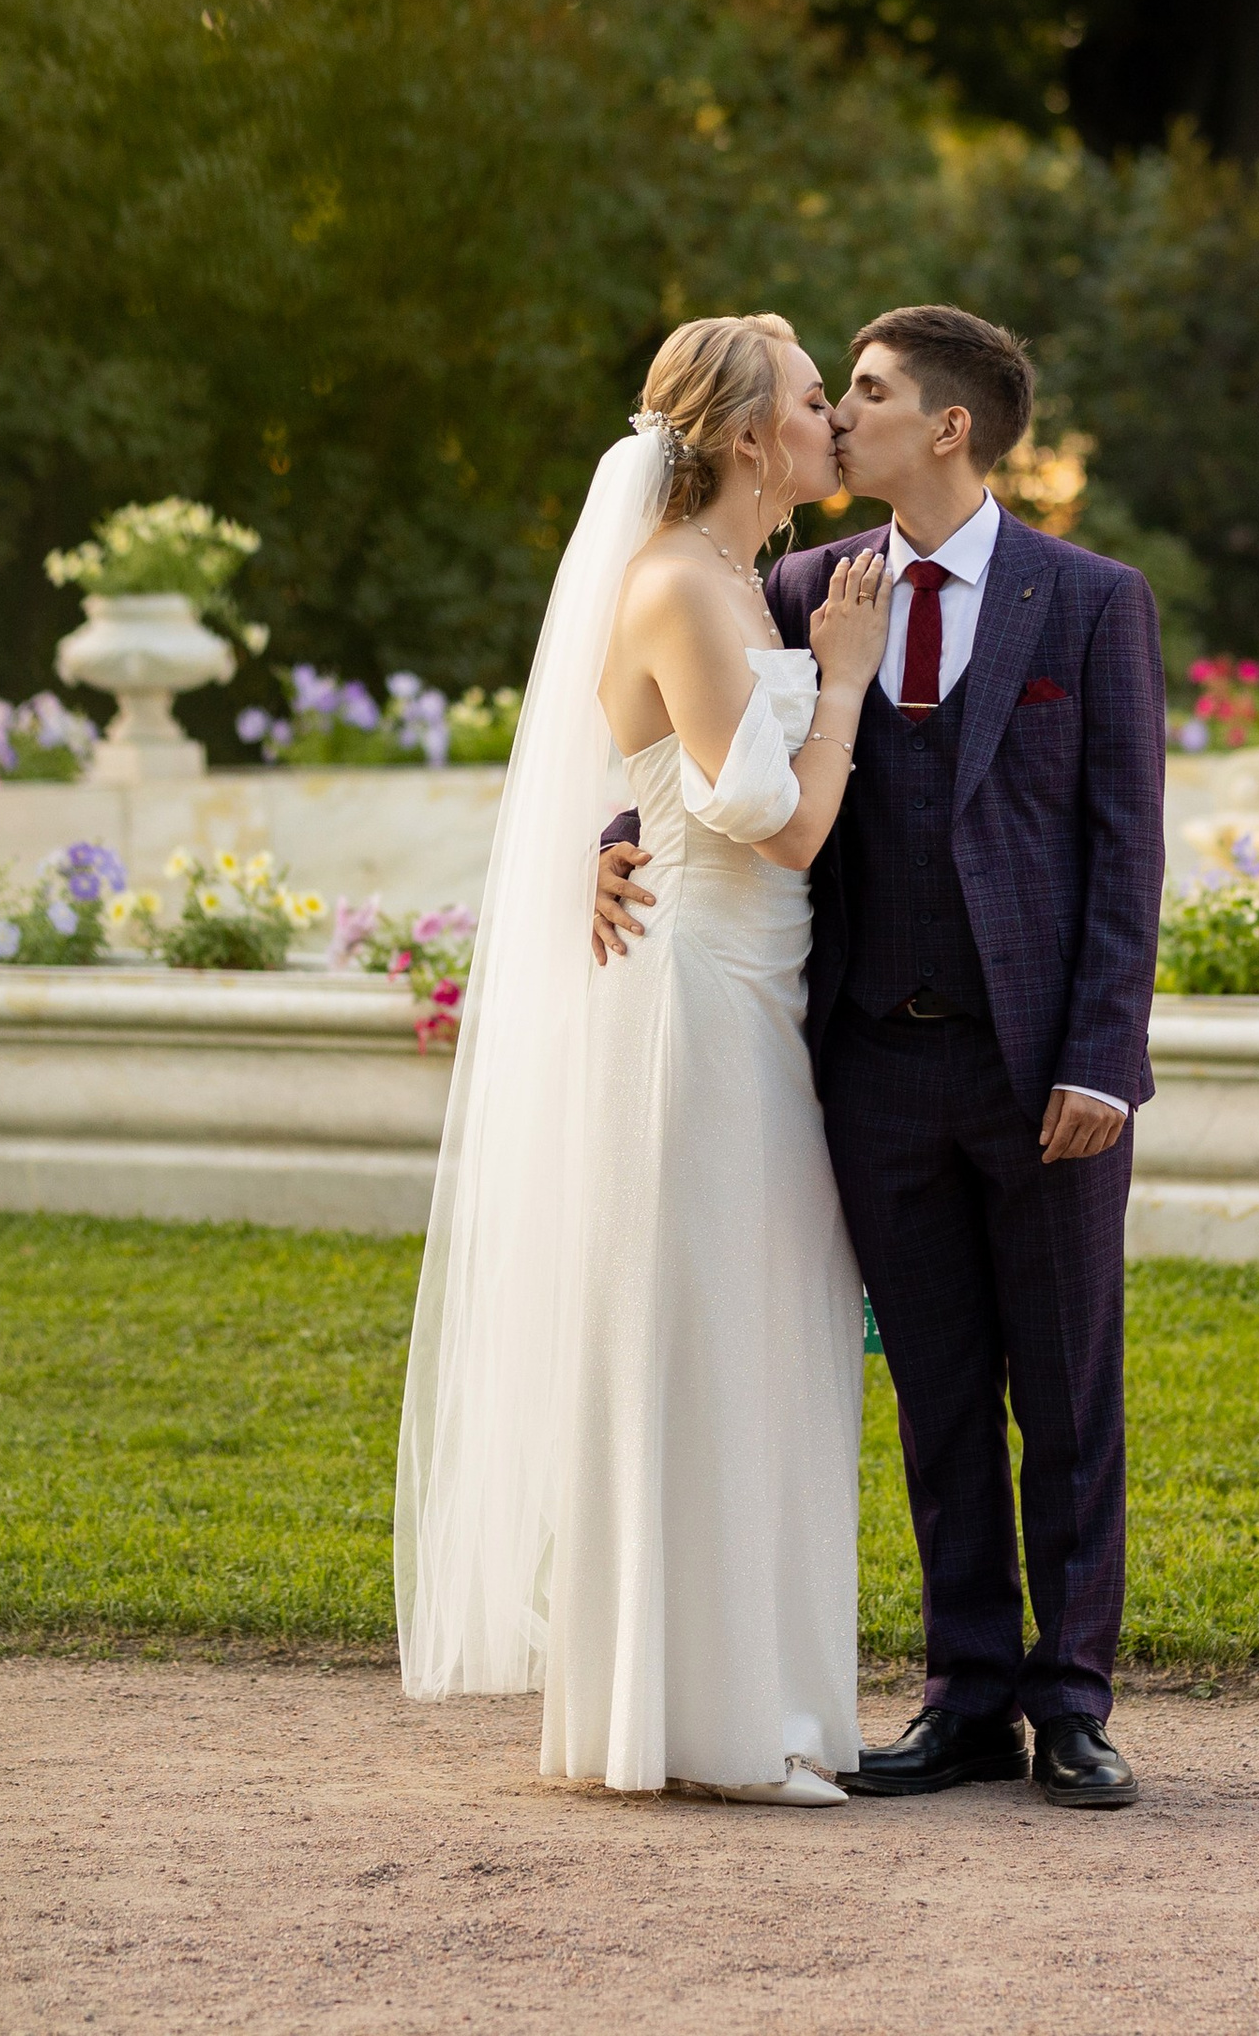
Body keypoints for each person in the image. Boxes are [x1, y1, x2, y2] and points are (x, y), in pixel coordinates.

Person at [595, 304, 1165, 1809]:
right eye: (830, 393)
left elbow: (1126, 852)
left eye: (867, 394)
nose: (838, 418)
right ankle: (969, 1696)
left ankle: (1077, 1700)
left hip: (1042, 1072)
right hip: (864, 1062)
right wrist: (613, 839)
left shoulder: (1092, 601)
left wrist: (1103, 1063)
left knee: (1069, 1391)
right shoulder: (786, 582)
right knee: (931, 1393)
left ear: (950, 428)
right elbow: (690, 743)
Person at [396, 312, 890, 1802]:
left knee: (769, 1332)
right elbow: (781, 820)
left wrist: (620, 832)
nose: (833, 423)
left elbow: (636, 780)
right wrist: (847, 674)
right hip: (692, 999)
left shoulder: (741, 578)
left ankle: (763, 1701)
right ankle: (707, 1729)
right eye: (815, 403)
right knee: (699, 1338)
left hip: (761, 987)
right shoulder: (682, 583)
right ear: (751, 439)